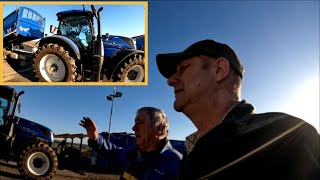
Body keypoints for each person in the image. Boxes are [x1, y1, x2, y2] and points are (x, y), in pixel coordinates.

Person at [156, 39, 320, 180]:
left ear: (219, 70)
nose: (171, 80)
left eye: (183, 68)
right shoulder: (191, 154)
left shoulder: (288, 136)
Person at [80, 107, 183, 180]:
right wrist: (95, 138)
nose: (134, 128)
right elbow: (112, 151)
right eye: (135, 123)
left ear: (159, 129)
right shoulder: (134, 154)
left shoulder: (177, 163)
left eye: (141, 123)